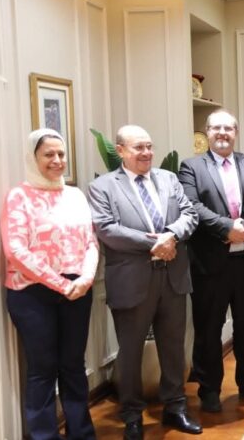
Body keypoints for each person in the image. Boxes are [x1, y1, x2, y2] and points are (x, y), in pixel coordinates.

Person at [89, 125, 201, 439]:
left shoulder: (168, 179)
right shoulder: (102, 186)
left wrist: (172, 235)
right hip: (132, 282)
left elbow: (190, 214)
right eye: (138, 147)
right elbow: (107, 229)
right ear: (120, 150)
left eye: (149, 146)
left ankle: (175, 407)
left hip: (173, 279)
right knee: (130, 352)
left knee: (173, 347)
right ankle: (132, 415)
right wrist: (155, 243)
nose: (147, 153)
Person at [1, 128, 98, 440]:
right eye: (48, 155)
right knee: (42, 369)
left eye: (61, 154)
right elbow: (15, 251)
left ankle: (81, 433)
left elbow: (91, 242)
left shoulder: (75, 195)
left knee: (73, 366)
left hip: (78, 290)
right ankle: (44, 435)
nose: (57, 160)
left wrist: (86, 278)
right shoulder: (19, 196)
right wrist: (61, 284)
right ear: (33, 158)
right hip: (32, 294)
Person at [178, 109, 244, 412]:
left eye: (228, 128)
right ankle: (209, 390)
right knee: (208, 329)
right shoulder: (191, 167)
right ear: (207, 132)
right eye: (216, 128)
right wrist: (227, 228)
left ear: (236, 132)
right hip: (210, 265)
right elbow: (192, 205)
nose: (222, 133)